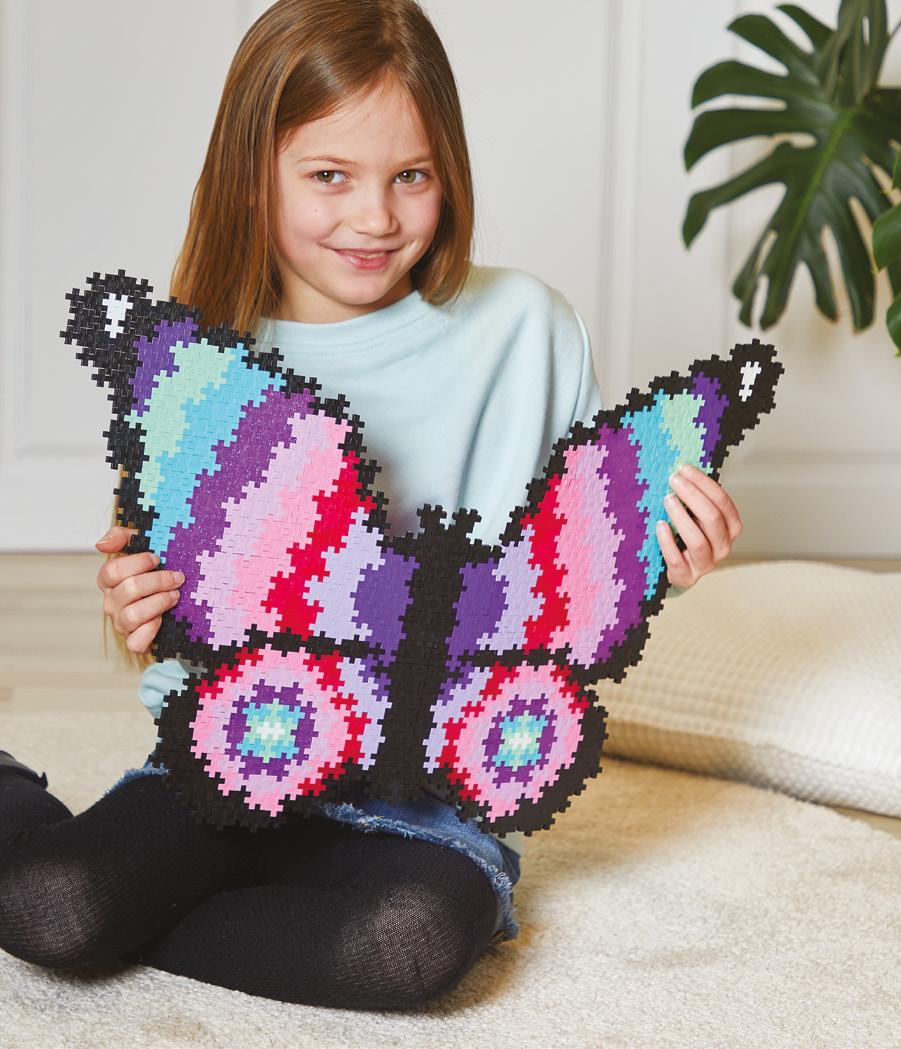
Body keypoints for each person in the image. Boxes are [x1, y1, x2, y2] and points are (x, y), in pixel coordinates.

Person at [0, 0, 742, 1010]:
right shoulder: (210, 368)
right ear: (251, 174)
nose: (375, 218)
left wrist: (663, 559)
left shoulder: (528, 329)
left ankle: (159, 911)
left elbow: (569, 579)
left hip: (428, 798)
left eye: (411, 176)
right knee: (50, 907)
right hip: (245, 747)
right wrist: (140, 611)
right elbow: (170, 629)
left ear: (450, 172)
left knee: (401, 946)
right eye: (328, 176)